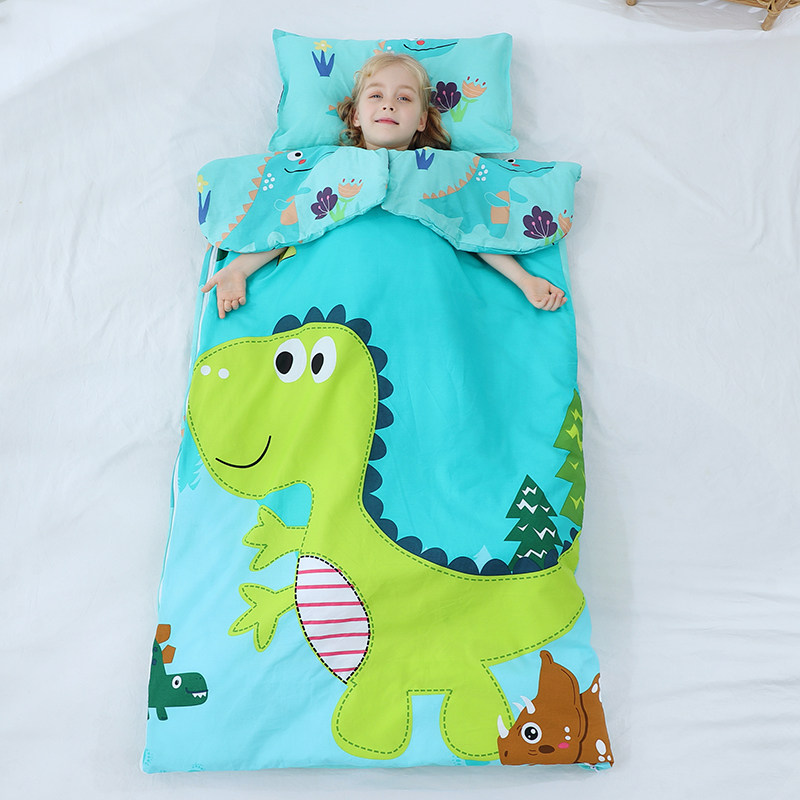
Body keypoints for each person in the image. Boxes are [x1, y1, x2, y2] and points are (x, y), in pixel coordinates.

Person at [203, 53, 567, 318]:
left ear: (422, 120)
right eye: (376, 95)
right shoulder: (331, 165)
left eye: (404, 98)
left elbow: (472, 227)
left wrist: (524, 280)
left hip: (422, 288)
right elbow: (293, 222)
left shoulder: (441, 168)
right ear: (356, 116)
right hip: (340, 282)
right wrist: (239, 270)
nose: (389, 105)